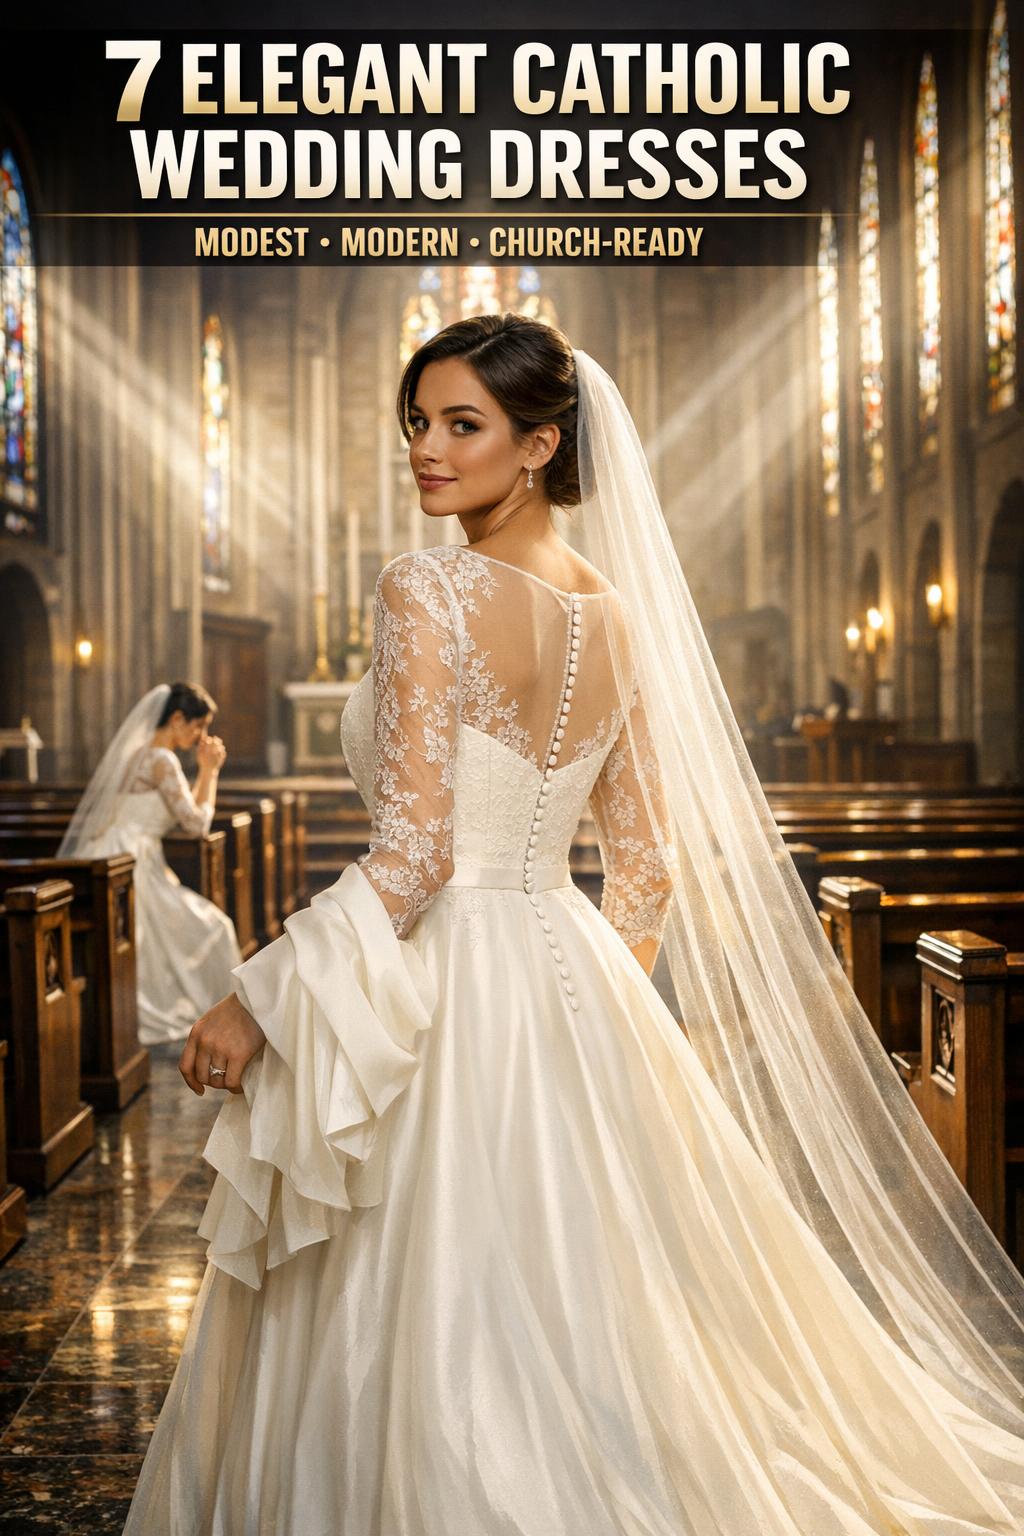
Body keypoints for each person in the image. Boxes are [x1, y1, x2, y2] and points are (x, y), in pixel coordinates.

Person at [124, 316, 1024, 1534]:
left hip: (436, 978)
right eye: (417, 424)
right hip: (573, 973)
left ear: (540, 442)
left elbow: (421, 855)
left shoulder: (425, 584)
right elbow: (644, 867)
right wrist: (586, 1015)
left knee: (420, 1306)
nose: (426, 453)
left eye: (461, 426)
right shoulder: (618, 613)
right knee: (586, 1312)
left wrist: (260, 992)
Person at [58, 681, 242, 1045]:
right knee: (215, 927)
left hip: (110, 852)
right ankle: (224, 1015)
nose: (200, 735)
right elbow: (197, 824)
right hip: (133, 864)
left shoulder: (135, 753)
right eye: (198, 725)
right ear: (176, 718)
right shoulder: (162, 760)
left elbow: (187, 810)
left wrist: (204, 771)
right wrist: (211, 770)